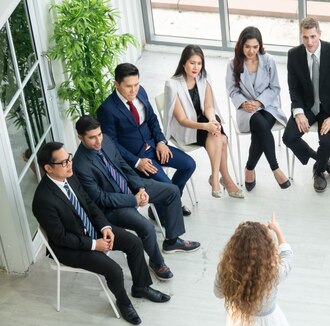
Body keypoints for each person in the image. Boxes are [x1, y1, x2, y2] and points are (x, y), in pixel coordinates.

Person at [32, 142, 171, 325]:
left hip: (92, 229)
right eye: (64, 162)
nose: (70, 164)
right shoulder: (43, 200)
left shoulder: (70, 177)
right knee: (114, 270)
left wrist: (105, 228)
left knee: (134, 243)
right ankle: (124, 303)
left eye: (69, 158)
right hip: (70, 247)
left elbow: (90, 205)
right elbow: (61, 238)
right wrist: (94, 245)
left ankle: (141, 287)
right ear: (48, 168)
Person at [72, 115, 201, 281]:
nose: (98, 141)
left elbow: (123, 165)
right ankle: (156, 263)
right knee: (146, 227)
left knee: (172, 190)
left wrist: (139, 188)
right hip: (114, 207)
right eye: (92, 138)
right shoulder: (80, 165)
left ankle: (172, 241)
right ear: (80, 137)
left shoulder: (107, 141)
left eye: (99, 135)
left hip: (131, 188)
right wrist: (134, 200)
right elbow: (101, 198)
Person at [97, 63, 196, 215]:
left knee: (189, 164)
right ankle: (170, 205)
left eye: (136, 84)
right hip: (137, 157)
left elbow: (152, 120)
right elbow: (112, 145)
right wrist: (136, 162)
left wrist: (161, 142)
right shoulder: (107, 109)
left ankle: (170, 203)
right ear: (116, 84)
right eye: (128, 86)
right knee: (168, 186)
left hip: (154, 146)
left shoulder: (140, 92)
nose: (134, 90)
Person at [163, 45, 243, 199]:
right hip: (187, 128)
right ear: (183, 63)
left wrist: (212, 120)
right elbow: (182, 120)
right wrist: (206, 126)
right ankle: (221, 179)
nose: (196, 67)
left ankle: (216, 178)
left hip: (204, 119)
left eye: (199, 63)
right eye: (192, 63)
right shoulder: (172, 84)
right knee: (222, 139)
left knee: (218, 133)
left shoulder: (203, 77)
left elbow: (208, 106)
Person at [282, 17, 330, 193]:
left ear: (320, 34)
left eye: (313, 36)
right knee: (288, 137)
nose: (309, 42)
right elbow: (294, 87)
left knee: (327, 141)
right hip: (307, 106)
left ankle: (318, 171)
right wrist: (298, 112)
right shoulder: (294, 55)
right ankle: (323, 162)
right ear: (301, 36)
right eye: (305, 37)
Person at [226, 26, 290, 191]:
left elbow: (275, 88)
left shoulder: (269, 60)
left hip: (267, 106)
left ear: (260, 46)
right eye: (247, 46)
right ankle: (275, 169)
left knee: (260, 132)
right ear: (241, 45)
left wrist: (260, 102)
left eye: (255, 47)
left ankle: (249, 168)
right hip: (245, 109)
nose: (251, 51)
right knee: (261, 126)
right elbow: (232, 91)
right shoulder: (233, 64)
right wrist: (244, 103)